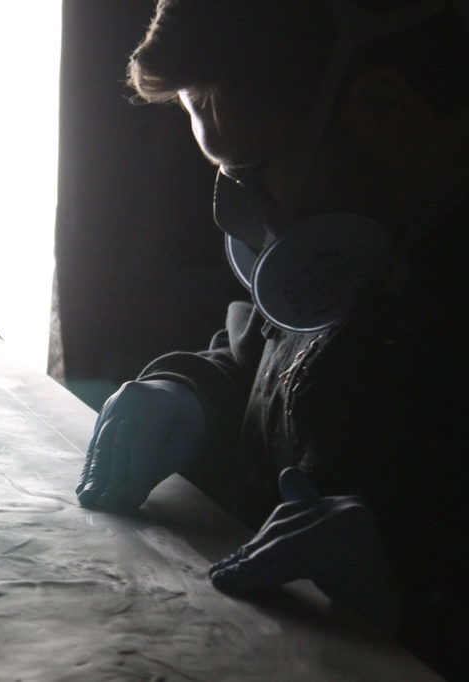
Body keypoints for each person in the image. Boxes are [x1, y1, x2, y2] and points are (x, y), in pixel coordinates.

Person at [75, 1, 469, 678]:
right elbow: (265, 363)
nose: (238, 209)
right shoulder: (365, 246)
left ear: (381, 108)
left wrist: (426, 605)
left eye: (252, 170)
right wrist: (189, 393)